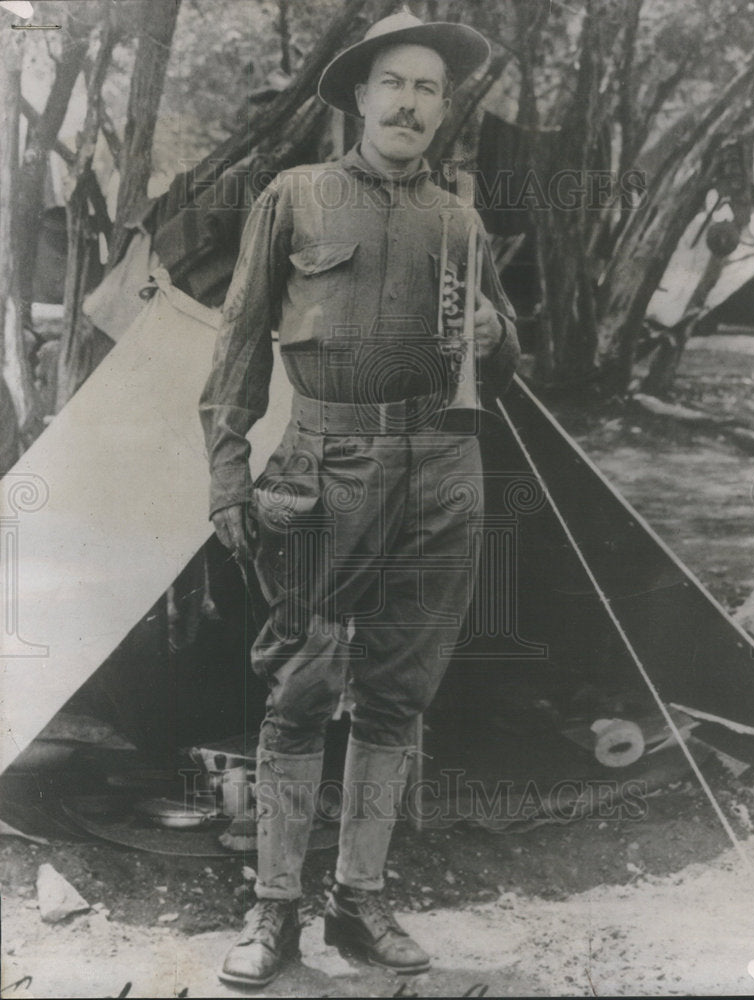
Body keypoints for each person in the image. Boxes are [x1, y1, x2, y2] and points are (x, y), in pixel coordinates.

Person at [200, 9, 520, 988]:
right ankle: (274, 909)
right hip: (322, 464)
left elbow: (503, 365)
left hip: (440, 468)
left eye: (429, 89)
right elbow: (238, 351)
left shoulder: (459, 219)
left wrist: (493, 337)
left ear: (439, 111)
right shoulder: (291, 198)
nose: (412, 103)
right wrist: (225, 472)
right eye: (395, 83)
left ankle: (359, 899)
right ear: (358, 95)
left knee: (397, 695)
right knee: (301, 686)